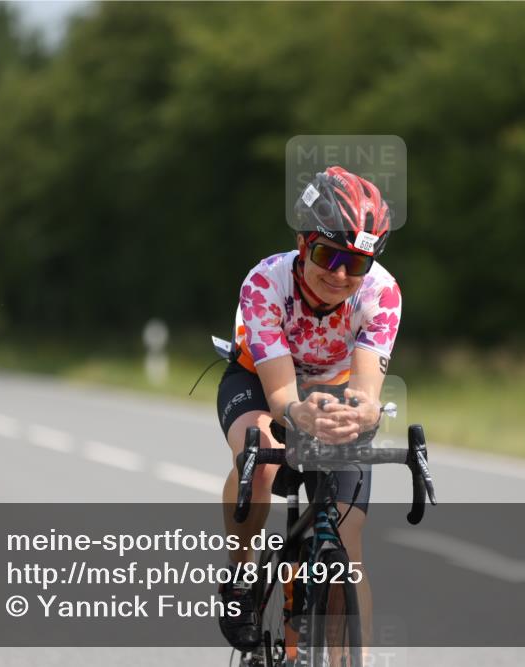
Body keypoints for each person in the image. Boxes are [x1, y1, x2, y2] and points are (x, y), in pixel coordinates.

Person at [215, 166, 401, 651]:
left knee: (348, 541)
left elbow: (365, 392)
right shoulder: (265, 283)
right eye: (327, 254)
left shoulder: (381, 293)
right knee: (259, 459)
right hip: (260, 382)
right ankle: (239, 577)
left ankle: (340, 656)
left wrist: (362, 414)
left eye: (355, 263)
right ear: (302, 243)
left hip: (332, 391)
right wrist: (299, 415)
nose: (340, 274)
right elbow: (281, 399)